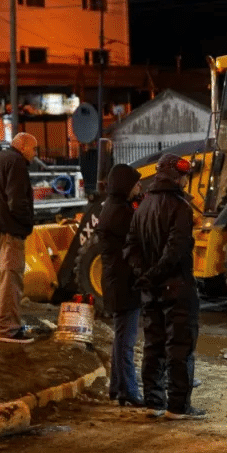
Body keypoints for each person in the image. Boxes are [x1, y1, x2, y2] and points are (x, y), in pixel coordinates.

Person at [125, 153, 203, 420]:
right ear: (175, 176)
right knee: (180, 347)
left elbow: (131, 247)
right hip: (177, 287)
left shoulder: (143, 206)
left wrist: (144, 276)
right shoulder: (180, 207)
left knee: (153, 346)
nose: (184, 181)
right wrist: (156, 274)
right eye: (183, 176)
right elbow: (176, 250)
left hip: (151, 291)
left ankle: (153, 402)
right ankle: (178, 407)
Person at [0, 132, 39, 344]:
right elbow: (17, 201)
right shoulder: (17, 164)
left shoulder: (0, 158)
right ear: (22, 146)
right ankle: (7, 329)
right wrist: (26, 225)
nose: (35, 153)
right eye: (33, 148)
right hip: (9, 229)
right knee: (11, 279)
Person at [96, 163, 145, 407]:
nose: (140, 186)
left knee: (121, 337)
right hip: (125, 284)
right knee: (126, 341)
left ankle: (118, 388)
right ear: (126, 185)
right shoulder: (122, 214)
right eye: (136, 183)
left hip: (117, 282)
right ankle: (129, 391)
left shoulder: (113, 208)